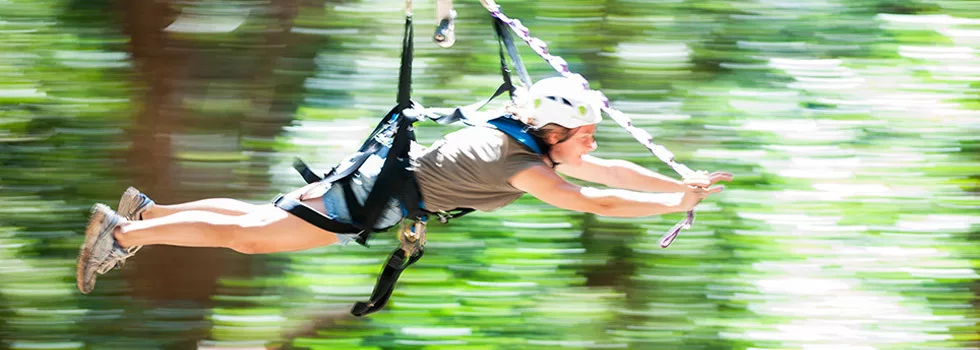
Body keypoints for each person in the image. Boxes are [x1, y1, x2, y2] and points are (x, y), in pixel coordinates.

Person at [76, 76, 732, 294]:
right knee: (250, 240)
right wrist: (670, 201)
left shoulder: (522, 135)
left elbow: (609, 171)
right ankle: (126, 231)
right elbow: (596, 198)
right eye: (583, 132)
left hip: (370, 177)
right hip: (370, 197)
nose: (592, 142)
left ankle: (149, 212)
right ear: (555, 130)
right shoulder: (521, 165)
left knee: (254, 216)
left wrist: (681, 187)